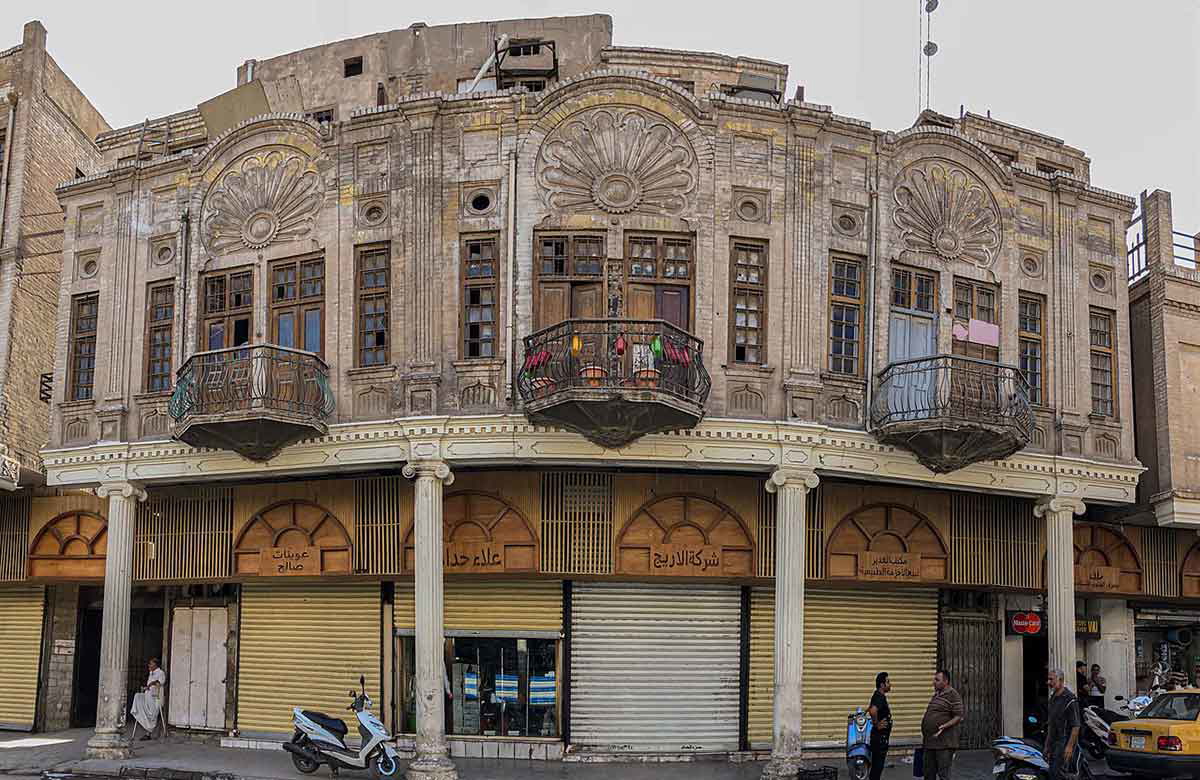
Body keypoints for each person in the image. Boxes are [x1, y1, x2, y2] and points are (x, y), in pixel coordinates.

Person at [920, 669, 964, 780]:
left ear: (946, 681)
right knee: (928, 773)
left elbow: (959, 716)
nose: (934, 682)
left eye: (937, 680)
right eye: (934, 679)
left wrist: (945, 726)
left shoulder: (953, 695)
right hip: (930, 742)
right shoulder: (936, 695)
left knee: (943, 774)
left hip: (944, 743)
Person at [1044, 668, 1081, 780]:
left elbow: (1076, 726)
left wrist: (1069, 747)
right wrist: (1047, 745)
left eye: (1051, 679)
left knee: (1060, 773)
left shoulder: (1070, 699)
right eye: (1048, 679)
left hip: (1064, 742)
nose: (1048, 682)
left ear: (1060, 680)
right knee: (1052, 772)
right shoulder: (1053, 698)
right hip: (1054, 741)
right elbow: (1051, 724)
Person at [130, 658, 166, 739]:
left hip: (155, 698)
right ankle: (137, 712)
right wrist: (146, 687)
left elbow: (159, 683)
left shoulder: (161, 673)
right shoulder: (151, 673)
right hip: (148, 695)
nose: (149, 665)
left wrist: (151, 684)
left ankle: (148, 733)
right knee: (137, 696)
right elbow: (149, 686)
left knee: (152, 712)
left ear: (155, 665)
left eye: (151, 664)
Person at [867, 672, 892, 780]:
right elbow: (872, 711)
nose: (890, 684)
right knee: (877, 768)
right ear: (882, 685)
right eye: (888, 682)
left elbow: (871, 709)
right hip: (880, 739)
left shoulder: (877, 695)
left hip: (878, 738)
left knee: (876, 768)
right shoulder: (880, 697)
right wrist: (877, 724)